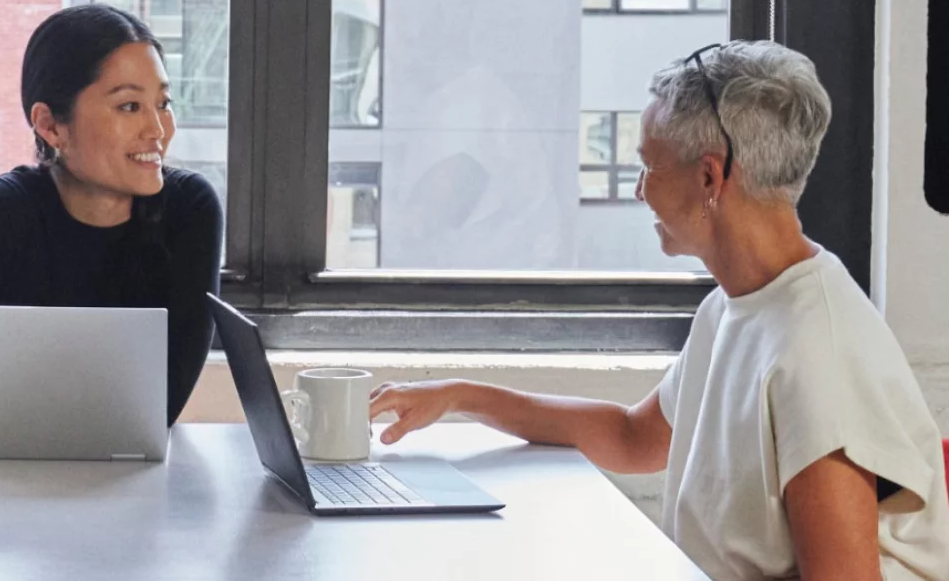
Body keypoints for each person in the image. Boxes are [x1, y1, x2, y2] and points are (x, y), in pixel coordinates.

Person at [369, 41, 949, 581]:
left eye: (651, 165)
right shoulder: (736, 304)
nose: (640, 190)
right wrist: (461, 396)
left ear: (709, 178)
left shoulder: (818, 349)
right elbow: (631, 438)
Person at [0, 4, 223, 428]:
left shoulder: (190, 210)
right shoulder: (1, 212)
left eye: (164, 103)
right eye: (130, 106)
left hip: (128, 478)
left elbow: (159, 408)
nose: (158, 128)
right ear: (50, 125)